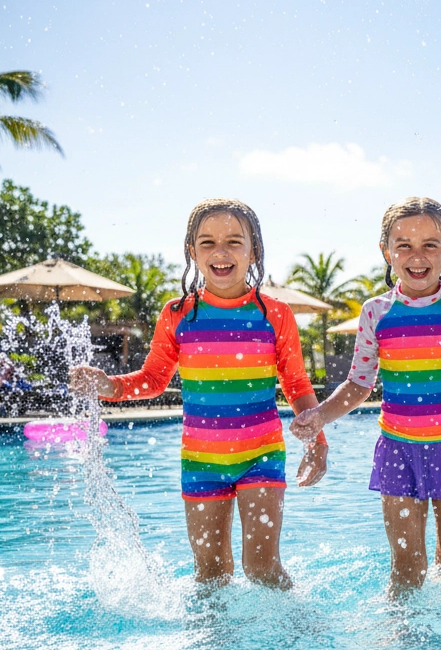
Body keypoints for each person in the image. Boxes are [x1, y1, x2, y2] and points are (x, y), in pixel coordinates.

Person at [70, 198, 325, 589]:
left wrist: (317, 441)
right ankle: (215, 649)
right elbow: (153, 379)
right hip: (201, 461)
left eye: (233, 242)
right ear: (192, 252)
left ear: (253, 249)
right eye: (207, 243)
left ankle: (296, 636)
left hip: (261, 454)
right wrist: (109, 386)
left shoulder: (275, 315)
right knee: (210, 575)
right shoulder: (178, 314)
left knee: (262, 568)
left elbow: (296, 385)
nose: (220, 253)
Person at [289, 197, 441, 594]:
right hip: (398, 450)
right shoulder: (376, 312)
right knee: (406, 566)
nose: (417, 256)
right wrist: (321, 416)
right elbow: (360, 383)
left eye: (430, 245)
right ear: (387, 252)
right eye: (404, 245)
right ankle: (401, 642)